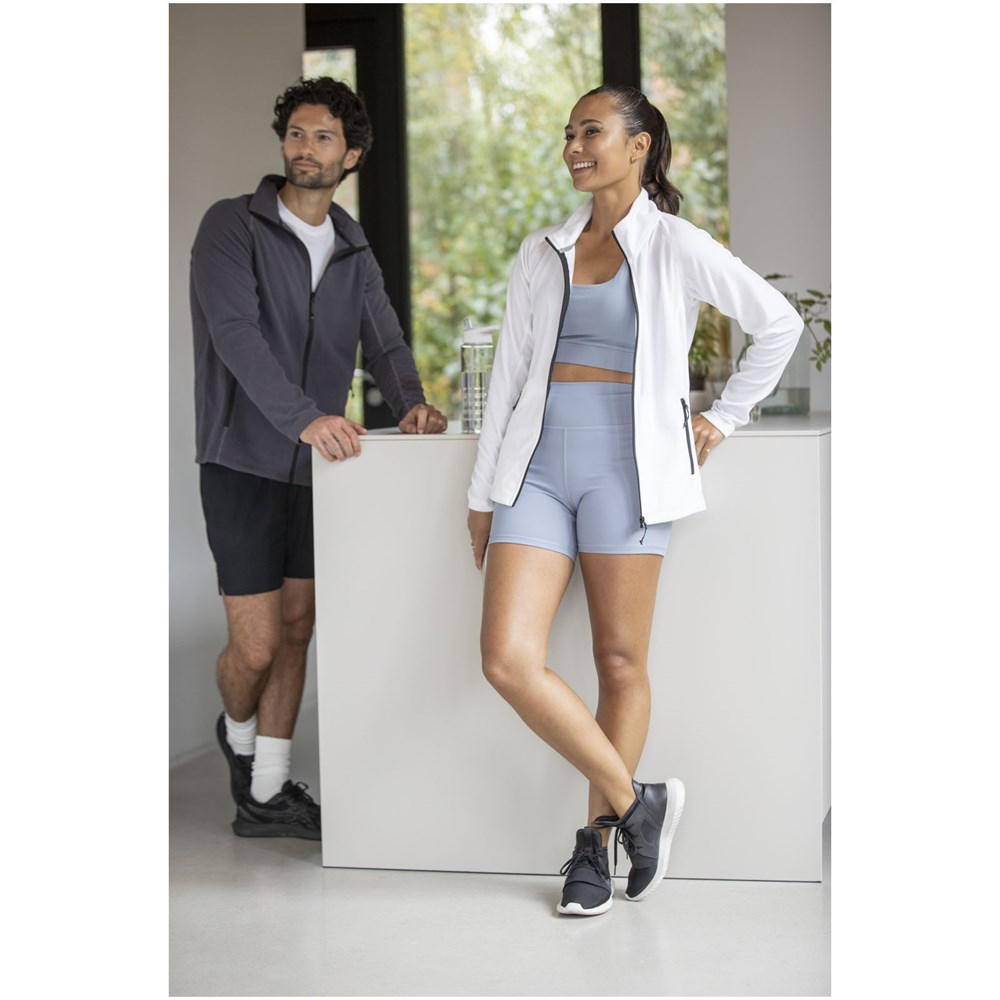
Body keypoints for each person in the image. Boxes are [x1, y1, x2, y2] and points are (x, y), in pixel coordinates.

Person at [466, 84, 803, 915]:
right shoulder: (542, 249)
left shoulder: (675, 243)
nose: (575, 147)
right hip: (536, 470)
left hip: (630, 471)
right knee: (507, 659)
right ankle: (635, 800)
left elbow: (779, 324)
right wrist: (482, 492)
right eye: (569, 134)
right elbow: (509, 376)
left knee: (619, 663)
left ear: (639, 144)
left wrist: (724, 418)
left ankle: (596, 848)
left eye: (592, 131)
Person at [191, 77, 447, 841]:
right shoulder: (231, 226)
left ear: (351, 155)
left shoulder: (351, 246)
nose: (305, 148)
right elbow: (236, 336)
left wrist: (411, 403)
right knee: (257, 644)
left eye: (323, 137)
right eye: (296, 133)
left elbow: (385, 341)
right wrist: (303, 418)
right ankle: (238, 736)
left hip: (316, 471)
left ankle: (267, 792)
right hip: (241, 459)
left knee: (299, 626)